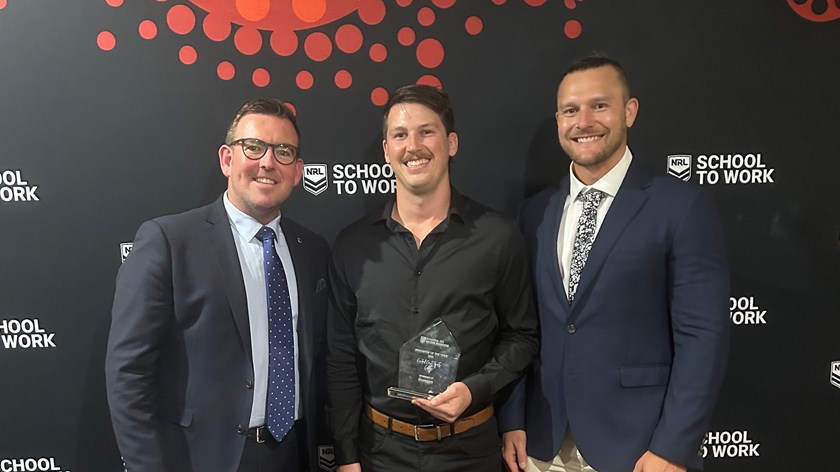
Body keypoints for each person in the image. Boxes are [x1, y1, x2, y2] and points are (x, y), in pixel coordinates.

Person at [499, 55, 730, 472]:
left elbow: (703, 336)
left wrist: (673, 448)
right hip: (542, 446)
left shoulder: (680, 206)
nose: (583, 121)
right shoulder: (533, 213)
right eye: (571, 110)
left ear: (630, 111)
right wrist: (512, 419)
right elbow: (519, 328)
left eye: (599, 106)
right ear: (558, 120)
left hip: (638, 449)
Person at [105, 98, 331, 471]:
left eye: (284, 152)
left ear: (298, 171)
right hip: (201, 458)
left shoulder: (313, 250)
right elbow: (129, 372)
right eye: (254, 147)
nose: (268, 162)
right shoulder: (169, 241)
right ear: (227, 159)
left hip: (294, 453)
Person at [327, 84, 539, 472]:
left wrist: (475, 388)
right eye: (400, 135)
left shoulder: (498, 236)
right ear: (387, 150)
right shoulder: (352, 246)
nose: (414, 145)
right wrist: (347, 455)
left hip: (470, 450)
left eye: (427, 131)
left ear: (451, 143)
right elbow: (341, 357)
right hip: (380, 453)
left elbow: (521, 337)